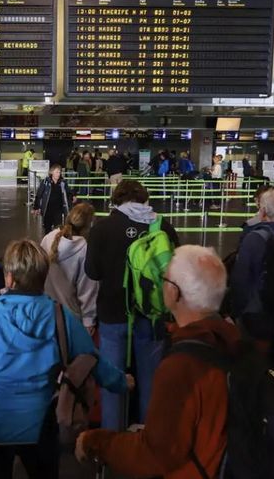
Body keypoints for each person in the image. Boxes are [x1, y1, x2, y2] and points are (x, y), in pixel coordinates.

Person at [0, 239, 131, 479]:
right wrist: (122, 382)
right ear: (43, 277)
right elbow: (93, 360)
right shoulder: (61, 317)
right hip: (39, 427)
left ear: (9, 278)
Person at [76, 245, 238, 478]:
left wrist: (95, 442)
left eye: (165, 279)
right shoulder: (234, 340)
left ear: (174, 292)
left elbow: (156, 454)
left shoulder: (180, 367)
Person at [85, 180, 179, 430]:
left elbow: (92, 272)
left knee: (113, 382)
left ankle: (112, 439)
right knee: (151, 383)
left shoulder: (102, 228)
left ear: (116, 199)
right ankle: (149, 440)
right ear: (144, 198)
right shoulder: (163, 226)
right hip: (151, 316)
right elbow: (176, 269)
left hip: (113, 314)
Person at [230, 188, 274, 319]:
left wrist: (236, 311)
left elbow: (241, 279)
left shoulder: (254, 238)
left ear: (263, 210)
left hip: (258, 312)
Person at [40, 202, 98, 332]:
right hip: (71, 318)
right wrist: (88, 320)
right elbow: (87, 290)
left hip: (44, 311)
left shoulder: (48, 238)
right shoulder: (84, 250)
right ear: (89, 225)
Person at [32, 164, 74, 234]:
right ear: (52, 172)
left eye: (59, 172)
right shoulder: (45, 182)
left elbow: (68, 192)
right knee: (47, 229)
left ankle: (56, 240)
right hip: (47, 210)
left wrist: (73, 196)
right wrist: (36, 207)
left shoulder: (63, 182)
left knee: (58, 229)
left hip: (58, 210)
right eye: (57, 172)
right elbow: (39, 195)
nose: (58, 174)